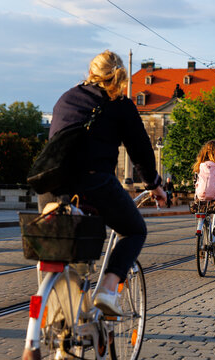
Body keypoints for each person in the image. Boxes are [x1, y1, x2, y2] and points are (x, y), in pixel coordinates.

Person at [39, 50, 166, 316]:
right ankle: (108, 290)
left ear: (91, 72)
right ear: (120, 77)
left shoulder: (67, 97)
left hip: (52, 187)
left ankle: (54, 317)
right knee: (134, 231)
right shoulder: (119, 103)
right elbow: (141, 150)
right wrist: (153, 183)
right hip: (93, 184)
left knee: (55, 248)